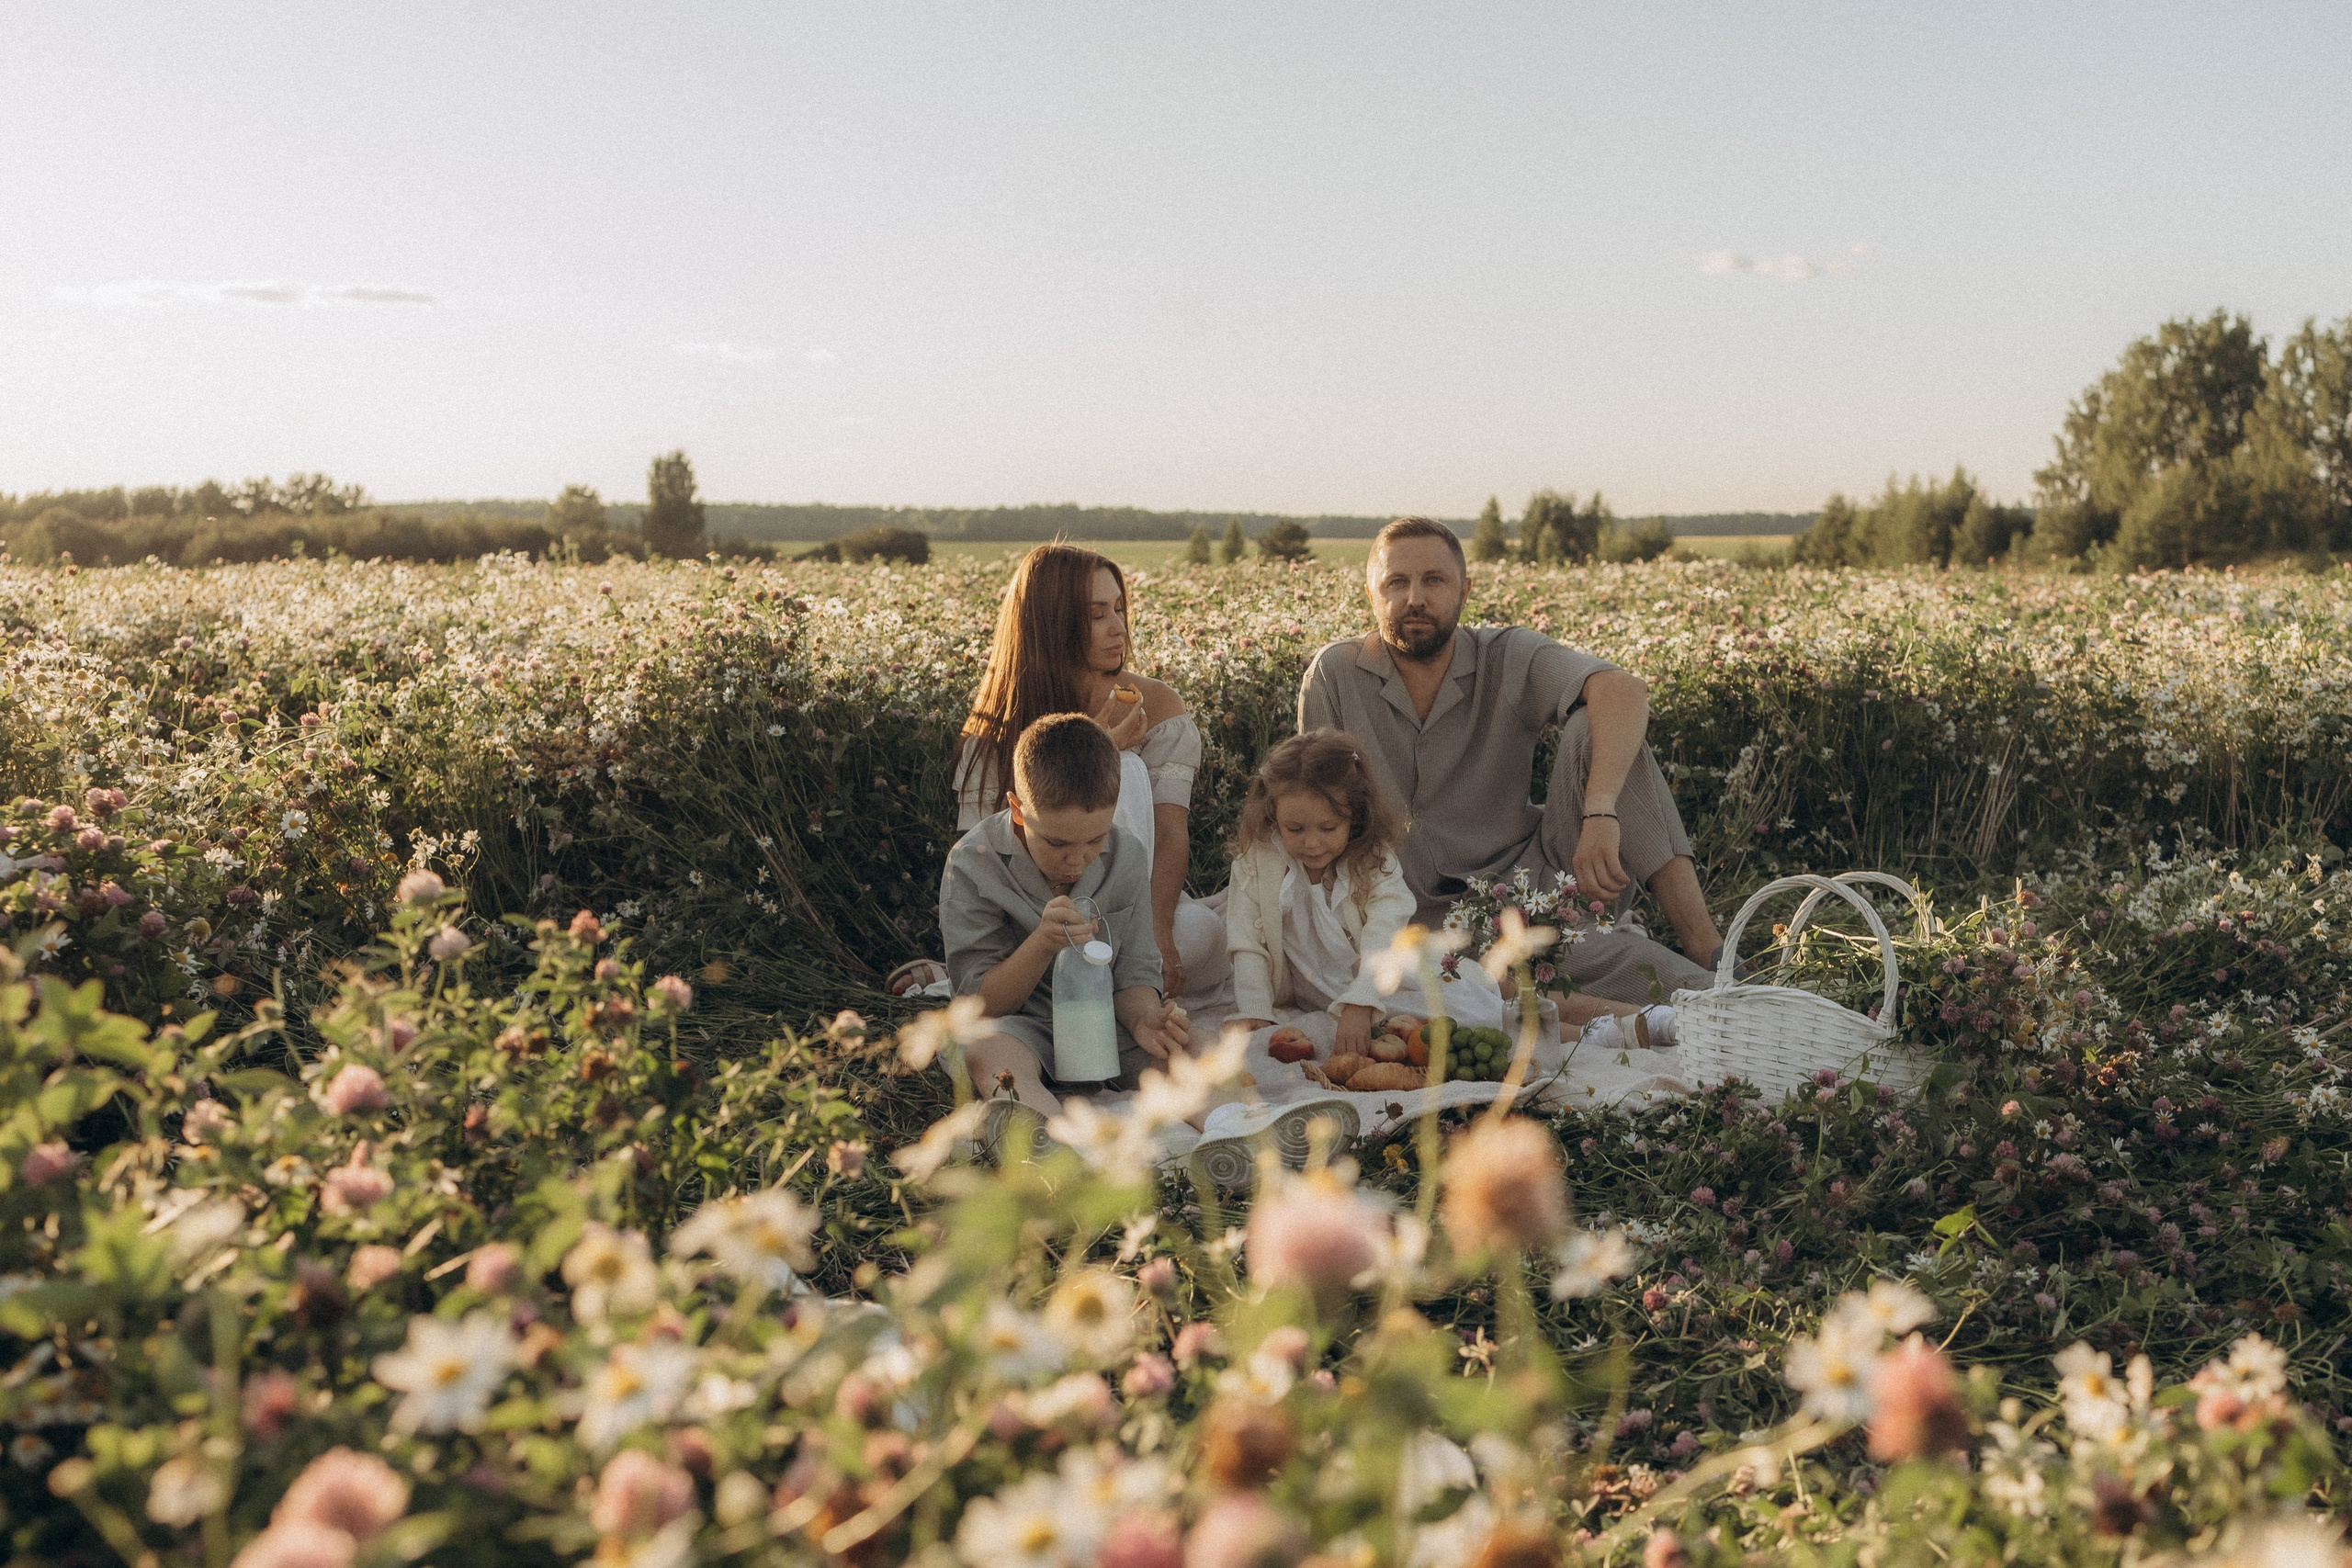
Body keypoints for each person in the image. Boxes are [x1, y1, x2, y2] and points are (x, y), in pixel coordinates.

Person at [1295, 516, 1724, 1025]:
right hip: (1406, 920)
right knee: (1480, 992)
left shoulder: (1506, 654)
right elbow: (1313, 812)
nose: (1415, 598)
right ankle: (1612, 1019)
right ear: (1371, 593)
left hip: (1531, 890)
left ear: (1464, 591)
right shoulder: (1334, 674)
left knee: (1598, 726)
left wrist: (1601, 812)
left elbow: (1623, 689)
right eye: (1396, 582)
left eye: (1434, 580)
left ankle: (1708, 949)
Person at [955, 543, 1228, 999]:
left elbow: (1170, 831)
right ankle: (989, 977)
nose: (1119, 628)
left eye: (1120, 609)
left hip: (1129, 908)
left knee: (1204, 935)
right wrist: (1097, 746)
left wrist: (1159, 930)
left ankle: (1074, 979)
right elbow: (975, 856)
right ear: (1051, 623)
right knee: (1123, 765)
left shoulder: (1156, 706)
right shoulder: (995, 733)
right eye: (1097, 614)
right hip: (1025, 916)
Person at [939, 713, 1191, 1116]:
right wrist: (1041, 944)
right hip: (1021, 1028)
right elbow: (979, 1005)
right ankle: (1054, 1144)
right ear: (1018, 810)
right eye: (1056, 843)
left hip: (1106, 1024)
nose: (1077, 860)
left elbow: (1134, 972)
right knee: (989, 1054)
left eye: (1095, 839)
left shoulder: (1126, 855)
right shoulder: (972, 865)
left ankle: (1230, 1129)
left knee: (1193, 1049)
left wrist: (1145, 1019)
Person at [1223, 728, 1515, 1053]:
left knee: (1470, 1009)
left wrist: (1361, 1003)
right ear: (1272, 814)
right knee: (1445, 1015)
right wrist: (1255, 1010)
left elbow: (1384, 934)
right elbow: (1247, 942)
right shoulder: (1257, 861)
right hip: (1318, 993)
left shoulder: (1373, 860)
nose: (1311, 842)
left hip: (1383, 977)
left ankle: (1560, 1017)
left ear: (1356, 817)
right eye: (1294, 829)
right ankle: (1514, 998)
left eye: (1328, 828)